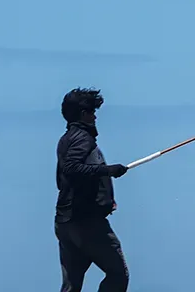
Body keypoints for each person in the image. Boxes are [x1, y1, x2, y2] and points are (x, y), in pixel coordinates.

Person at [55, 87, 131, 292]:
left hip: (65, 221)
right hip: (86, 222)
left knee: (71, 285)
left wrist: (105, 199)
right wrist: (109, 170)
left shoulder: (66, 139)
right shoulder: (82, 138)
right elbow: (72, 169)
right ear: (83, 114)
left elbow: (65, 181)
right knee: (117, 274)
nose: (95, 115)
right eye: (91, 111)